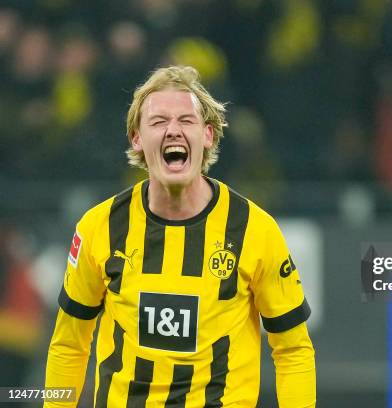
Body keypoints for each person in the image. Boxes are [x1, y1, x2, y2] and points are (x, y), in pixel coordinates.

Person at [44, 65, 316, 407]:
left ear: (208, 135)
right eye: (158, 122)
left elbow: (293, 350)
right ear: (137, 139)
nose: (173, 131)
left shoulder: (254, 230)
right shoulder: (100, 227)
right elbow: (69, 344)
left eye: (186, 120)